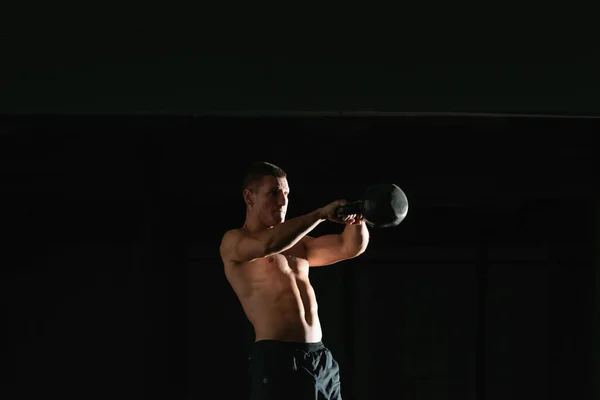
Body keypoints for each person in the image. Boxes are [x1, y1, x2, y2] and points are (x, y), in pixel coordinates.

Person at [219, 161, 370, 400]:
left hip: (320, 358)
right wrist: (320, 214)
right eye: (273, 193)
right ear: (249, 197)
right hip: (279, 358)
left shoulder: (300, 245)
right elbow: (267, 245)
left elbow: (349, 246)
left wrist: (358, 219)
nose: (282, 201)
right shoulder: (235, 241)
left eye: (286, 193)